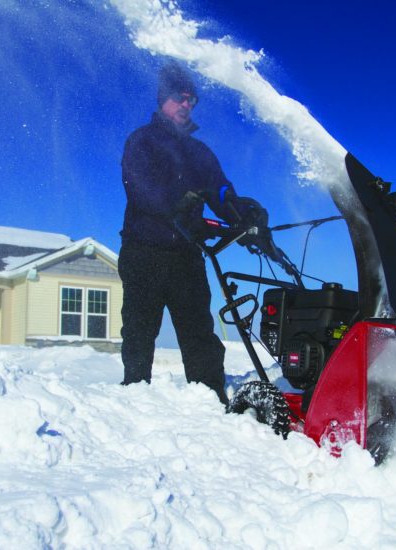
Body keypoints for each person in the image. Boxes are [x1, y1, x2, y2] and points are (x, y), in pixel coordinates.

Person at [118, 61, 242, 405]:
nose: (186, 104)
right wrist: (178, 207)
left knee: (199, 331)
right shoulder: (141, 141)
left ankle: (211, 400)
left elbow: (219, 190)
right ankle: (134, 398)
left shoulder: (199, 152)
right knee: (140, 330)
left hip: (187, 256)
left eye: (192, 99)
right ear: (162, 100)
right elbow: (140, 189)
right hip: (144, 252)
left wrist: (242, 211)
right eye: (179, 97)